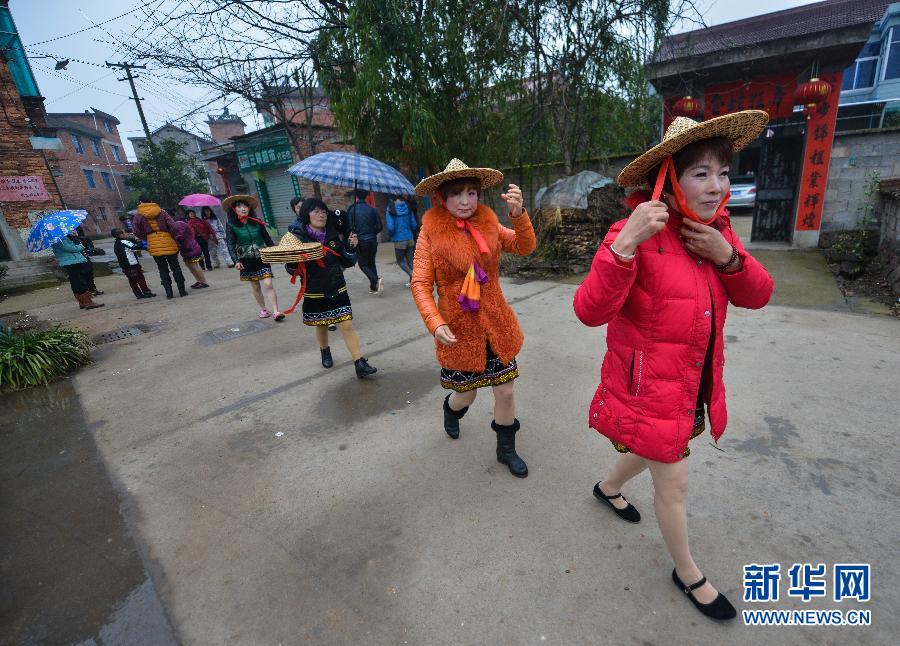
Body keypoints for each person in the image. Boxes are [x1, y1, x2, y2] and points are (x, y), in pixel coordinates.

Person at [573, 111, 775, 621]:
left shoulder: (716, 232)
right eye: (700, 173)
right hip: (649, 387)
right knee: (674, 479)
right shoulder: (633, 231)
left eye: (723, 173)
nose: (716, 187)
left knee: (660, 447)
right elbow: (589, 312)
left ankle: (608, 487)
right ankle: (688, 574)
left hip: (693, 383)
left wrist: (729, 257)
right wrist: (623, 246)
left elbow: (759, 295)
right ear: (668, 177)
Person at [411, 159, 536, 478]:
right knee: (466, 394)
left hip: (495, 323)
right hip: (459, 328)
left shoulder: (488, 225)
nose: (465, 201)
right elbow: (421, 283)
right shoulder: (430, 234)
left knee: (505, 391)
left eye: (471, 192)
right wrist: (434, 321)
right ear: (442, 197)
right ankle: (450, 412)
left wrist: (519, 215)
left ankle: (505, 449)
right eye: (456, 194)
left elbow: (524, 246)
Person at [285, 198, 376, 378]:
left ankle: (359, 363)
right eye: (316, 211)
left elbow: (346, 261)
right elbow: (289, 268)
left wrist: (350, 247)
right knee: (322, 324)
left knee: (347, 324)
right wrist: (296, 262)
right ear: (306, 214)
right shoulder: (297, 237)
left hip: (336, 286)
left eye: (324, 211)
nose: (321, 215)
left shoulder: (333, 233)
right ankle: (325, 350)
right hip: (314, 289)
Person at [223, 195, 284, 321]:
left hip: (262, 257)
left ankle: (276, 311)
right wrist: (236, 261)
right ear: (234, 210)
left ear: (250, 208)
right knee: (256, 286)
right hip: (246, 260)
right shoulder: (231, 225)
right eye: (239, 206)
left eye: (245, 206)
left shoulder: (257, 222)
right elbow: (230, 243)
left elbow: (267, 239)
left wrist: (275, 253)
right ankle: (263, 309)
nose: (243, 209)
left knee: (268, 284)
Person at [132, 201, 188, 299]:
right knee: (175, 267)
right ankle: (182, 291)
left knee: (162, 269)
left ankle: (169, 294)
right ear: (151, 201)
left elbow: (136, 231)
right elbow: (173, 227)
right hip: (168, 240)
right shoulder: (162, 212)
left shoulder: (138, 215)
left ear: (140, 202)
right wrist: (170, 235)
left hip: (153, 244)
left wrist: (147, 237)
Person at [51, 231, 104, 309]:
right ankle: (88, 303)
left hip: (70, 262)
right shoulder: (60, 239)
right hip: (72, 262)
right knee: (79, 282)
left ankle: (82, 302)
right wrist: (81, 245)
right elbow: (71, 248)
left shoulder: (57, 239)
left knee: (75, 282)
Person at [346, 189, 383, 293]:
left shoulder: (352, 209)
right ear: (366, 196)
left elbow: (348, 227)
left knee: (363, 264)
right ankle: (374, 287)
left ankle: (376, 280)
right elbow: (380, 227)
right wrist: (371, 233)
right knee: (371, 263)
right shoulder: (372, 209)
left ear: (356, 196)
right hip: (373, 240)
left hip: (361, 241)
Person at [111, 227, 155, 299]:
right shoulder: (124, 242)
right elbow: (135, 247)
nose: (125, 234)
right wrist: (139, 241)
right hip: (132, 263)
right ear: (120, 235)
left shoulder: (116, 244)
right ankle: (146, 292)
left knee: (132, 280)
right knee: (140, 278)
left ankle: (138, 294)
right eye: (124, 233)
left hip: (124, 265)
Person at [385, 194, 417, 287]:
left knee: (400, 261)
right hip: (410, 238)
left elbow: (391, 227)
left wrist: (391, 235)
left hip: (399, 240)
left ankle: (415, 278)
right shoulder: (408, 206)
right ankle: (414, 281)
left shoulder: (390, 208)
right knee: (410, 261)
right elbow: (414, 224)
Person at [172, 214, 210, 289]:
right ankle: (199, 281)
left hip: (190, 248)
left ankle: (204, 282)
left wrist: (173, 238)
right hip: (187, 248)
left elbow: (180, 236)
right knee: (189, 265)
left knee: (194, 265)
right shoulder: (180, 223)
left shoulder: (178, 223)